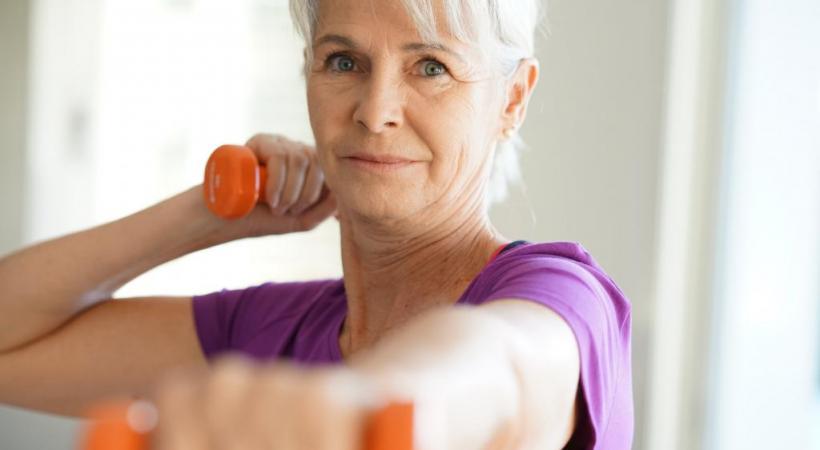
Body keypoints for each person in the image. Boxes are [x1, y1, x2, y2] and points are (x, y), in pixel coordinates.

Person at [0, 0, 633, 449]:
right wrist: (205, 214)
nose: (376, 110)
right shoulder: (265, 333)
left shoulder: (558, 295)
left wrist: (360, 408)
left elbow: (500, 371)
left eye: (432, 66)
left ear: (513, 98)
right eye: (344, 62)